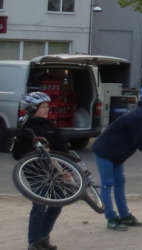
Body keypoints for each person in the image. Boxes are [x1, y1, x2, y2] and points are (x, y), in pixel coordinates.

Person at [91, 85, 142, 231]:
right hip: (105, 151)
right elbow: (140, 142)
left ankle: (124, 215)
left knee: (119, 183)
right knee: (107, 184)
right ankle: (111, 218)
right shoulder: (140, 115)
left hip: (116, 153)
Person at [13, 92, 69, 250]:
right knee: (39, 205)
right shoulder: (26, 128)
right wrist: (29, 144)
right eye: (43, 107)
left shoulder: (49, 125)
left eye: (47, 107)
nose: (47, 109)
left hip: (53, 171)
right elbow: (17, 154)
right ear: (33, 109)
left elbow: (62, 147)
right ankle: (34, 242)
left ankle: (43, 237)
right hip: (36, 173)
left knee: (58, 202)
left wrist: (67, 168)